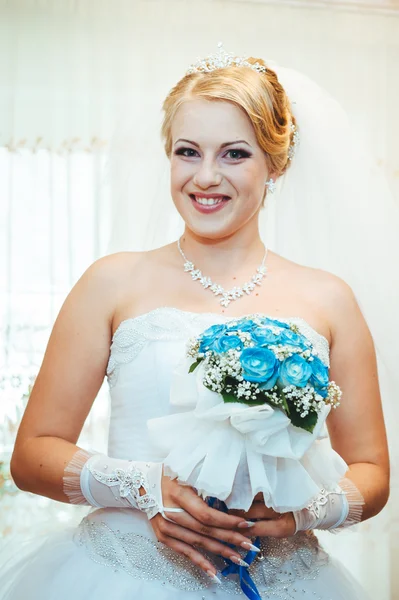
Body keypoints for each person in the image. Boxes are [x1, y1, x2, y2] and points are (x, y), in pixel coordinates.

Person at [0, 45, 391, 600]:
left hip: (286, 580)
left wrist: (303, 511)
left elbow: (372, 469)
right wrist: (145, 488)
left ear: (274, 164)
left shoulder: (329, 298)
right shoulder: (111, 283)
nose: (205, 177)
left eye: (234, 154)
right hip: (124, 577)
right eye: (188, 152)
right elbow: (32, 453)